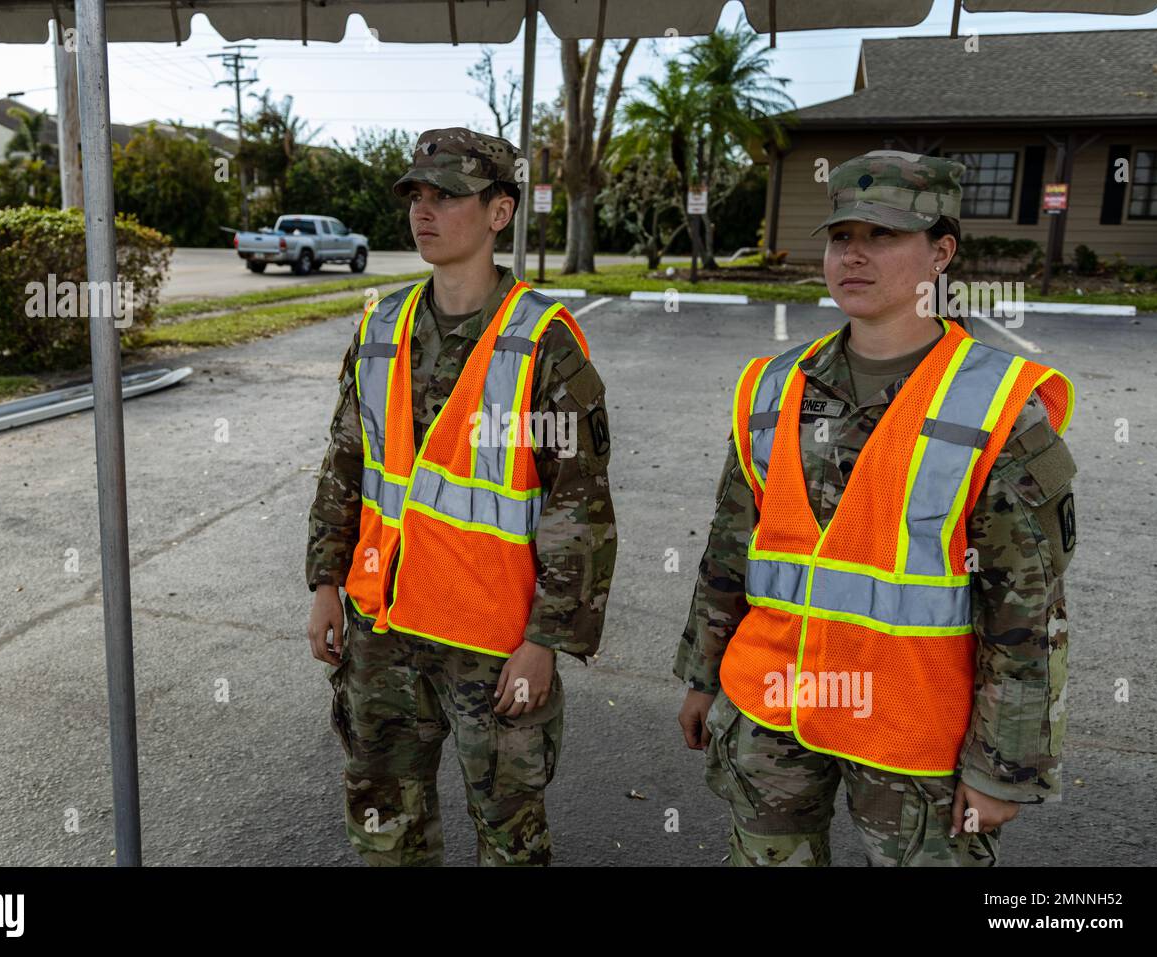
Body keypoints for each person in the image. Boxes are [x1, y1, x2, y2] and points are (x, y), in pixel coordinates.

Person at [675, 150, 1077, 866]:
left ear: (941, 253)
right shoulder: (773, 385)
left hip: (912, 737)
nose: (852, 255)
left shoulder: (997, 406)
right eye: (840, 236)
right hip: (771, 711)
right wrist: (703, 676)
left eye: (882, 236)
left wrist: (1003, 766)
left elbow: (1027, 611)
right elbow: (730, 549)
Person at [305, 128, 617, 866]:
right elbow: (345, 463)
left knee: (509, 835)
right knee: (384, 821)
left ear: (499, 212)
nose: (424, 209)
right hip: (382, 627)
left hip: (492, 640)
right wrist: (325, 584)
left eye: (446, 194)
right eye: (416, 193)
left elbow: (580, 509)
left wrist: (545, 641)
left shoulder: (543, 340)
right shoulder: (383, 324)